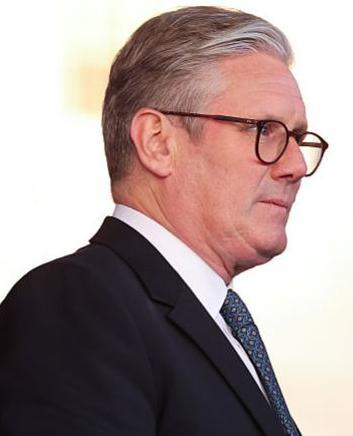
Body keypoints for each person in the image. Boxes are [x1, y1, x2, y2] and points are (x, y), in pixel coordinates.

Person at [0, 6, 327, 436]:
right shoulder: (77, 305)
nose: (294, 167)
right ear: (158, 143)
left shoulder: (209, 317)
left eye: (298, 139)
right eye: (265, 130)